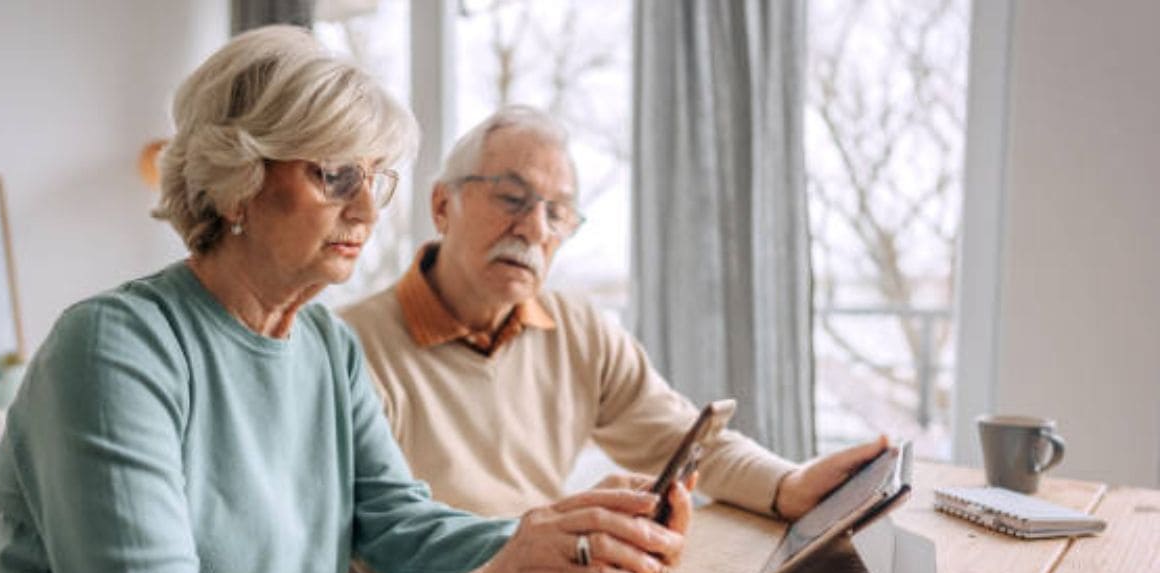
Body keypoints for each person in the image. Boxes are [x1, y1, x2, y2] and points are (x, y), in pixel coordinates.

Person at [0, 29, 692, 573]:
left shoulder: (323, 341)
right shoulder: (112, 350)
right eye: (336, 174)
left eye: (378, 177)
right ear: (235, 183)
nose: (371, 208)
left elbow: (397, 524)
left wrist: (563, 542)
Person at [341, 105, 886, 521]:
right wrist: (559, 532)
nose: (535, 229)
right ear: (442, 206)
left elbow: (685, 440)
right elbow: (384, 536)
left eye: (557, 212)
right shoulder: (352, 349)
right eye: (512, 199)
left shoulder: (579, 331)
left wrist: (788, 485)